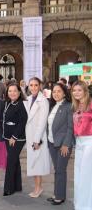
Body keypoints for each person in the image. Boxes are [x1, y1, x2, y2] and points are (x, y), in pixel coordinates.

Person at [46, 83, 74, 205]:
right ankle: (57, 193)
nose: (56, 94)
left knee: (61, 170)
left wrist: (66, 144)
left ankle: (60, 196)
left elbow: (70, 127)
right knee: (57, 169)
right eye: (54, 92)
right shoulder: (53, 106)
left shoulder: (69, 106)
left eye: (59, 91)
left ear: (64, 93)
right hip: (52, 143)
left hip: (63, 144)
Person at [24, 77, 50, 198]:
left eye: (35, 85)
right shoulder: (28, 99)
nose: (33, 87)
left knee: (37, 163)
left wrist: (37, 139)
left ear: (40, 86)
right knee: (33, 163)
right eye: (31, 85)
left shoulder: (43, 100)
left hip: (37, 137)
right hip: (30, 135)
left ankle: (38, 188)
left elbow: (42, 121)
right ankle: (37, 187)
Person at [2, 83, 27, 196]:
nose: (12, 93)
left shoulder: (21, 104)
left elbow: (22, 122)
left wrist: (14, 137)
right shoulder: (8, 103)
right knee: (15, 161)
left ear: (19, 92)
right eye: (10, 91)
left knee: (11, 161)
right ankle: (17, 186)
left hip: (17, 138)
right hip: (8, 137)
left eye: (15, 91)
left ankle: (8, 188)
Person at [71, 81, 92, 210]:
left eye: (79, 90)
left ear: (85, 91)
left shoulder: (90, 104)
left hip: (89, 142)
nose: (76, 92)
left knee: (86, 175)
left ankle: (86, 205)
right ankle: (80, 203)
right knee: (78, 174)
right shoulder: (77, 106)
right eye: (74, 90)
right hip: (79, 143)